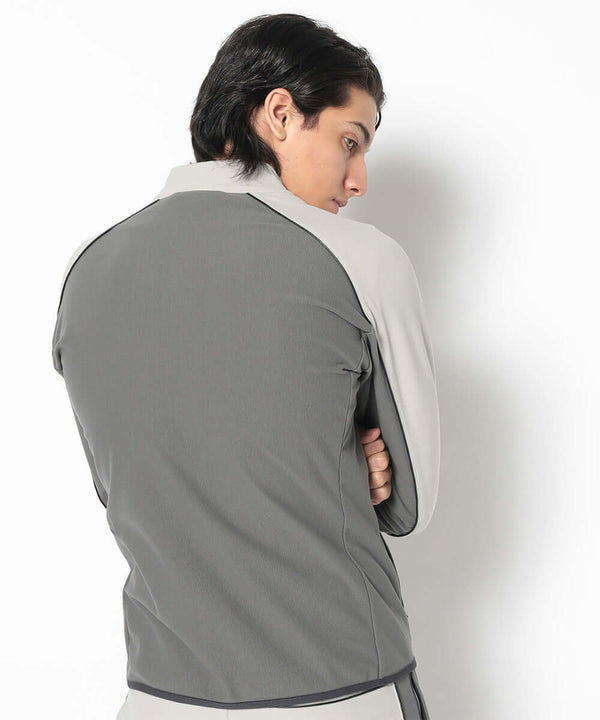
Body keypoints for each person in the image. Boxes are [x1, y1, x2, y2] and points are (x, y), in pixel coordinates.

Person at [51, 12, 439, 720]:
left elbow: (121, 487)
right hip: (342, 687)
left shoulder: (86, 268)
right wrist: (341, 468)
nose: (359, 180)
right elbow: (408, 506)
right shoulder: (364, 259)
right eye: (350, 141)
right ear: (280, 113)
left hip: (161, 695)